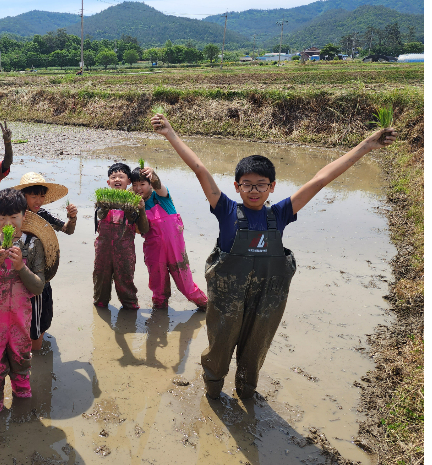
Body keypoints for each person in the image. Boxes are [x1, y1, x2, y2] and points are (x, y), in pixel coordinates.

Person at [151, 112, 398, 400]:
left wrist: (366, 146)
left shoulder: (280, 213)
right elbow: (199, 168)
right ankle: (213, 389)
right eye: (247, 184)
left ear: (272, 187)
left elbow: (321, 179)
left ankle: (246, 390)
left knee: (256, 346)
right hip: (228, 297)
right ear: (236, 187)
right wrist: (170, 133)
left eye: (261, 184)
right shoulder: (226, 209)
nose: (253, 190)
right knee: (219, 345)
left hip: (268, 297)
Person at [0, 189, 48, 413]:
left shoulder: (33, 245)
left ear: (24, 216)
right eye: (1, 218)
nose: (8, 223)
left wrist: (20, 267)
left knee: (21, 356)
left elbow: (38, 286)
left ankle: (22, 395)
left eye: (13, 217)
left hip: (19, 318)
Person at [14, 172, 78, 351]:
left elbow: (67, 230)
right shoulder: (12, 216)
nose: (38, 201)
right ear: (23, 195)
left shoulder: (42, 214)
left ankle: (36, 349)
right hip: (18, 272)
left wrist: (72, 218)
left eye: (41, 196)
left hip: (39, 272)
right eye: (34, 196)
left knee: (41, 316)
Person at [131, 166, 208, 310]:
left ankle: (206, 305)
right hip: (154, 251)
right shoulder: (134, 205)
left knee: (187, 286)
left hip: (175, 250)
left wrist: (153, 176)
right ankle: (160, 315)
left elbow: (159, 186)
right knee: (158, 287)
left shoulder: (161, 197)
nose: (138, 188)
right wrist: (139, 209)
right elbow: (139, 230)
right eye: (134, 185)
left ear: (149, 185)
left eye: (142, 184)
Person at [93, 163, 149, 310]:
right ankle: (100, 306)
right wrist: (104, 206)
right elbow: (100, 215)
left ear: (128, 181)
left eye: (121, 176)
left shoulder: (134, 200)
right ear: (108, 182)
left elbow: (144, 229)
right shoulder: (103, 198)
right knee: (101, 280)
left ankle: (130, 307)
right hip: (103, 249)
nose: (117, 179)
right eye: (113, 177)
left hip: (124, 251)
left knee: (126, 281)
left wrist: (140, 210)